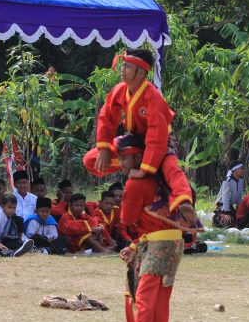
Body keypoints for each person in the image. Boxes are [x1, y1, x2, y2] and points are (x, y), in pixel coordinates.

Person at [83, 48, 195, 222]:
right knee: (92, 159)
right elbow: (106, 117)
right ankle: (141, 167)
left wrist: (144, 170)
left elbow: (156, 135)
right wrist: (104, 148)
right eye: (123, 65)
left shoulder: (153, 96)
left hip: (161, 141)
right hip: (134, 139)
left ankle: (183, 200)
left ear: (141, 72)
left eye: (127, 66)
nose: (122, 68)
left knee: (170, 166)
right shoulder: (120, 90)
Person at [115, 132, 185, 322]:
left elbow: (128, 217)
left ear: (138, 157)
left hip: (160, 244)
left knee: (145, 297)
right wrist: (135, 246)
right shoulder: (160, 178)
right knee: (137, 293)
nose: (121, 164)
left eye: (124, 158)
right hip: (162, 242)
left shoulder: (138, 182)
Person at [213, 162, 244, 228]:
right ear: (235, 170)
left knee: (241, 220)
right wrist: (226, 213)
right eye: (241, 169)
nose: (243, 171)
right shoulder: (227, 181)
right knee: (227, 221)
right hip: (222, 206)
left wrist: (239, 210)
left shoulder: (241, 181)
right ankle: (218, 216)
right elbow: (225, 198)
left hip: (230, 206)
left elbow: (239, 197)